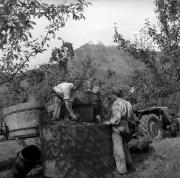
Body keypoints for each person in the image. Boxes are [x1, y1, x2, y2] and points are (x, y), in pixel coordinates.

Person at [103, 87, 134, 175]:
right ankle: (129, 164)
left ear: (114, 95)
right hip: (126, 126)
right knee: (125, 146)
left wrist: (109, 122)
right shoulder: (127, 103)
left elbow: (117, 117)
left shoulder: (116, 104)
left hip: (118, 126)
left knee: (118, 148)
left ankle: (122, 171)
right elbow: (130, 115)